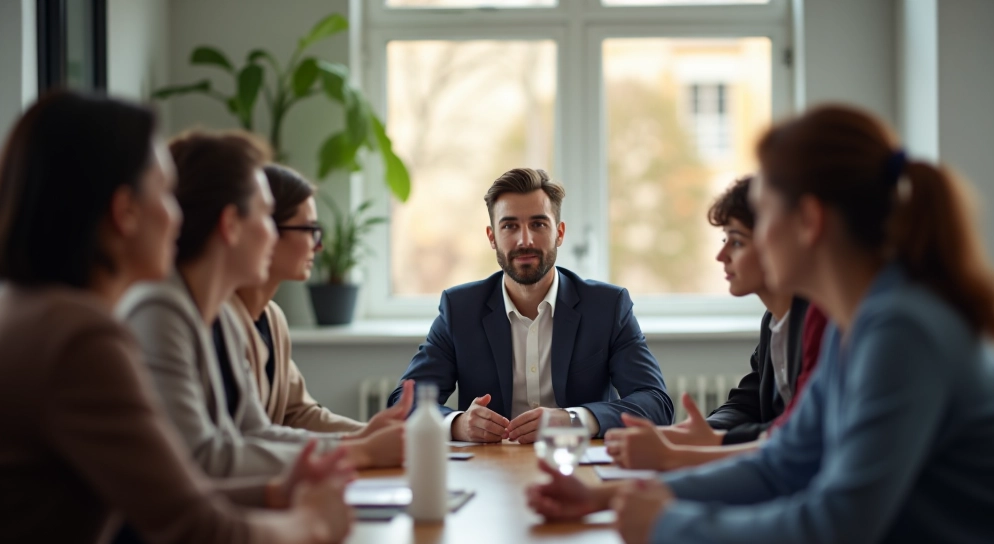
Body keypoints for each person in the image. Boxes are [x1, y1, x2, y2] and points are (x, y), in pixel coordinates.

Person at [528, 105, 994, 544]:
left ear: (809, 221)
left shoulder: (901, 329)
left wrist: (664, 524)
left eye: (763, 218)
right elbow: (783, 464)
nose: (754, 241)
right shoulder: (859, 322)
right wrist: (607, 499)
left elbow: (835, 529)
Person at [0, 91, 354, 544]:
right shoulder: (80, 337)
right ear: (124, 211)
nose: (179, 214)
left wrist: (274, 491)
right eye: (165, 192)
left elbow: (151, 495)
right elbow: (210, 541)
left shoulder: (29, 310)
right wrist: (314, 523)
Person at [117, 130, 404, 478]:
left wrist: (360, 442)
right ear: (230, 224)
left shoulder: (218, 314)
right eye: (265, 216)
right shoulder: (160, 310)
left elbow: (255, 433)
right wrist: (359, 451)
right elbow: (202, 459)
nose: (271, 232)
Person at [388, 167, 673, 443]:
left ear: (559, 233)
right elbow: (403, 404)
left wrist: (574, 420)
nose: (525, 240)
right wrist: (458, 424)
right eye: (510, 226)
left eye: (538, 224)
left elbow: (655, 403)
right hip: (489, 473)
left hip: (577, 468)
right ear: (492, 237)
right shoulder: (459, 309)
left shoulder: (608, 307)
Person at [605, 176, 828, 471]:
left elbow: (797, 433)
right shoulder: (773, 320)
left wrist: (705, 444)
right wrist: (689, 434)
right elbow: (746, 404)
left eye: (736, 242)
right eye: (725, 241)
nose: (721, 256)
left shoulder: (820, 321)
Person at [229, 163, 410, 468]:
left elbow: (300, 414)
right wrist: (364, 446)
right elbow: (248, 438)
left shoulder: (272, 318)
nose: (320, 244)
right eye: (310, 229)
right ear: (267, 230)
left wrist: (368, 434)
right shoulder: (222, 319)